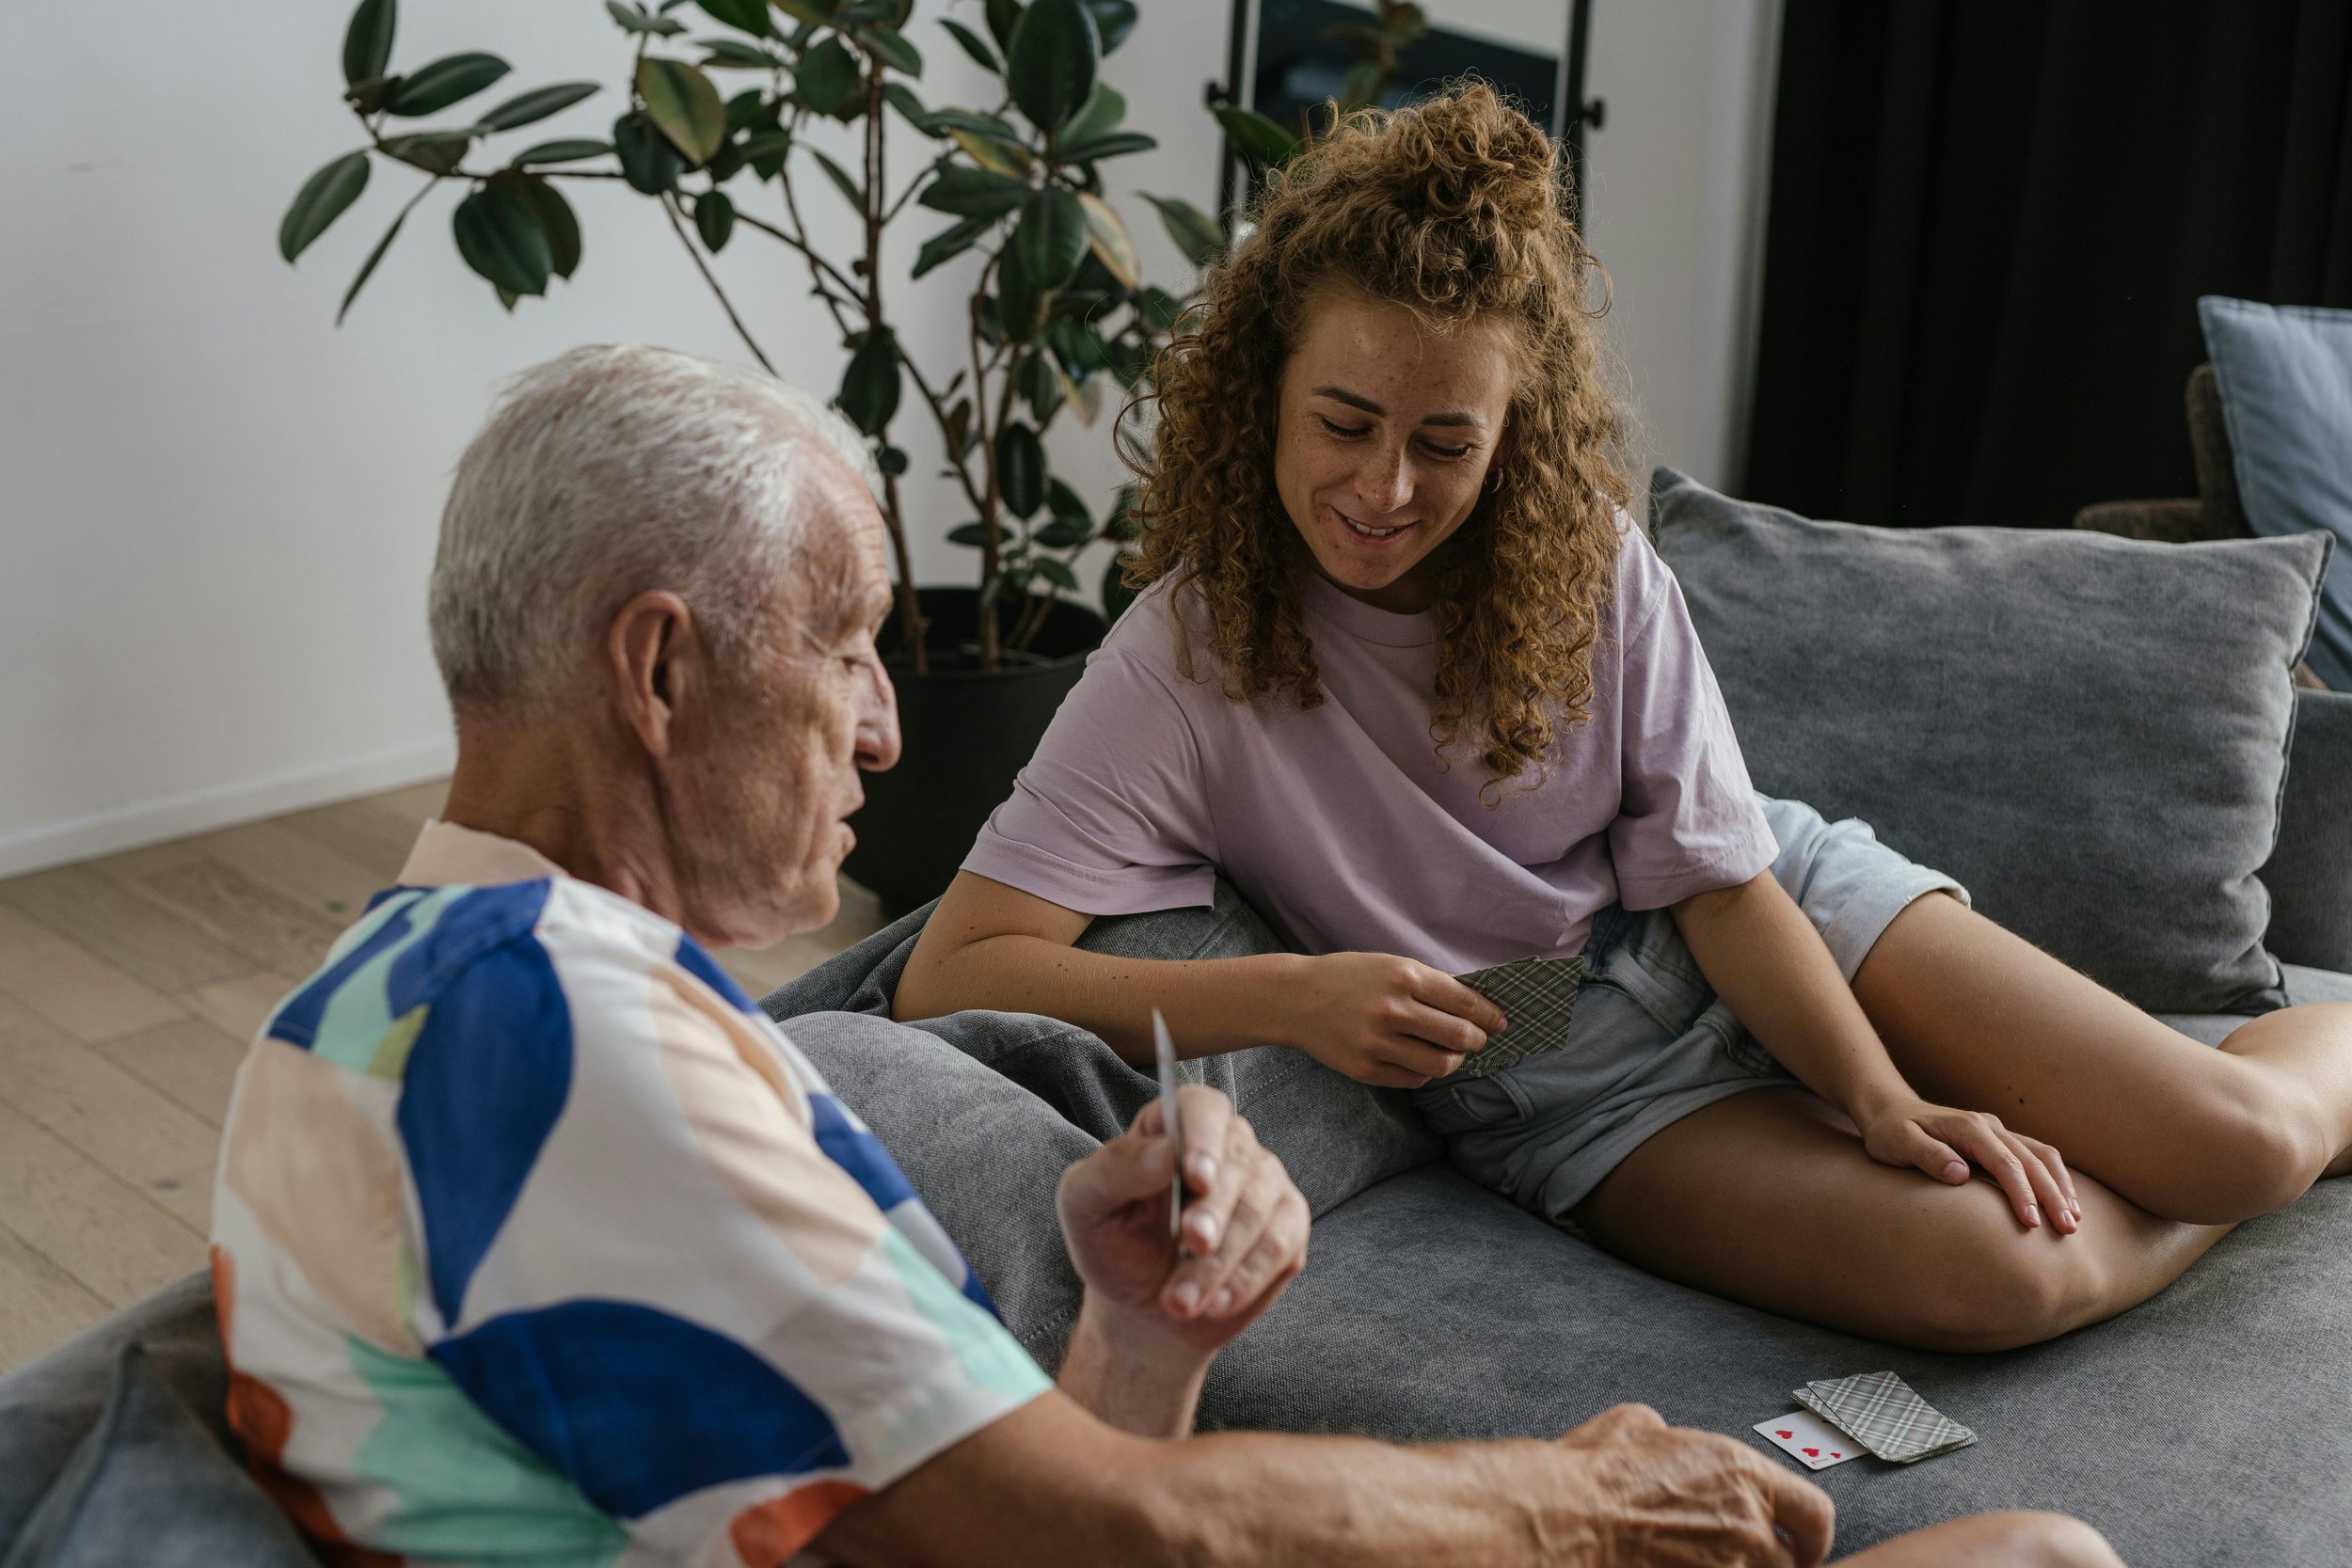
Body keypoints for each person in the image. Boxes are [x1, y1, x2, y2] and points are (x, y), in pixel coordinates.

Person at [210, 344, 2115, 1566]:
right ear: (656, 668)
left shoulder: (429, 996)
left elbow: (987, 1528)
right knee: (2028, 1565)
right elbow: (1113, 1537)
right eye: (847, 644)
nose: (885, 729)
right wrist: (1569, 1500)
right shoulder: (546, 1035)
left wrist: (1133, 1336)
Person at [894, 85, 2352, 1357]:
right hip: (1557, 1076)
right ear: (1264, 388)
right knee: (2015, 1275)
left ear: (1511, 433)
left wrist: (1882, 1097)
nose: (1386, 489)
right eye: (1344, 422)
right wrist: (1296, 996)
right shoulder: (1183, 660)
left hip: (1781, 909)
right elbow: (950, 974)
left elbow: (1715, 878)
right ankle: (2187, 1166)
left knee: (2244, 1140)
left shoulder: (1581, 560)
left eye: (1447, 443)